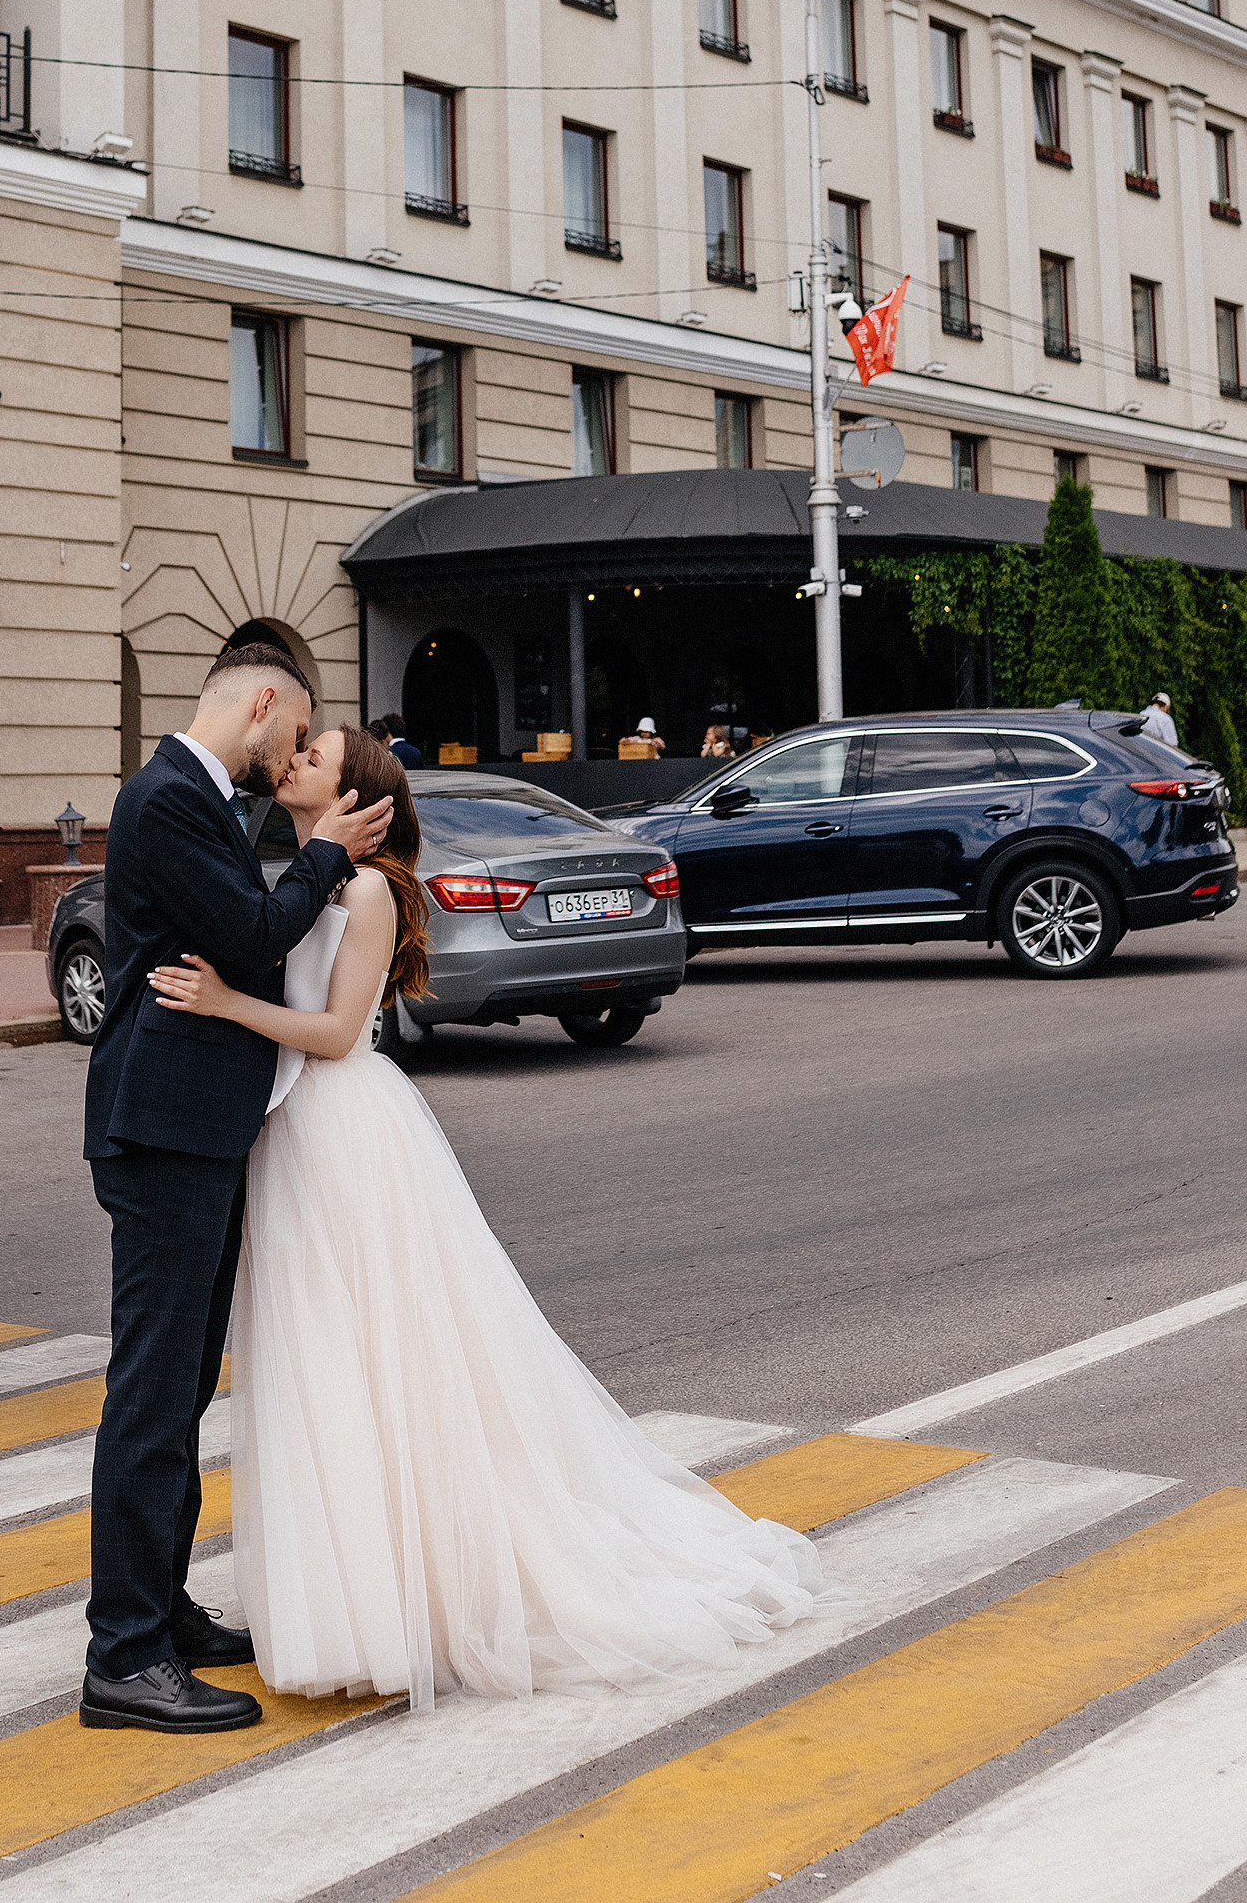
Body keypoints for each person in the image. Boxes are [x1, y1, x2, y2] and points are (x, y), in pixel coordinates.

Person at [150, 722, 838, 1712]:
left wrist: (223, 1003)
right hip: (297, 1135)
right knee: (324, 1359)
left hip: (343, 1131)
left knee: (382, 1357)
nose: (294, 759)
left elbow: (337, 1034)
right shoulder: (310, 880)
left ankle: (423, 1595)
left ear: (355, 798)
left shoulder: (367, 890)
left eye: (316, 756)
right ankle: (361, 1601)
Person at [79, 641, 393, 1739]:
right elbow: (254, 933)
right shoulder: (167, 795)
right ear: (263, 703)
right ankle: (123, 1656)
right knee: (152, 1394)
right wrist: (329, 853)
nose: (291, 752)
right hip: (162, 1128)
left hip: (195, 1128)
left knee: (179, 1392)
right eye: (294, 731)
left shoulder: (201, 796)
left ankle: (160, 1611)